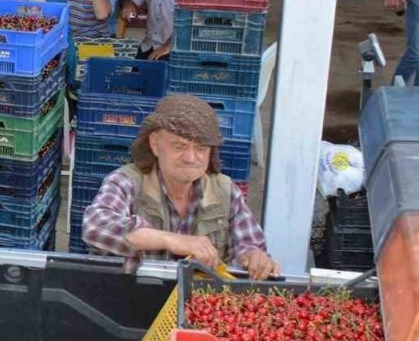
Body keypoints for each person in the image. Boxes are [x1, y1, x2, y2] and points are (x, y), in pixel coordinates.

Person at [81, 94, 279, 278]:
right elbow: (95, 225)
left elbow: (250, 244)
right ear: (155, 143)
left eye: (201, 148)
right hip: (131, 298)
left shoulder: (225, 192)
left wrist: (254, 257)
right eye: (179, 146)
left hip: (199, 305)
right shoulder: (127, 182)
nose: (191, 158)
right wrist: (172, 240)